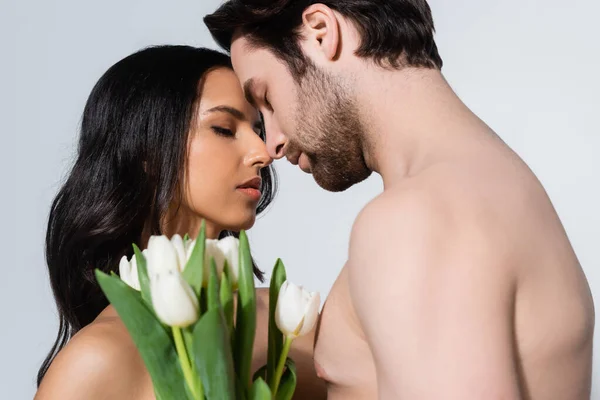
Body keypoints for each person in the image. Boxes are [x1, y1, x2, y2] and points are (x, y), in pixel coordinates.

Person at [204, 1, 596, 398]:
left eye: (267, 98)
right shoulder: (501, 185)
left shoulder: (416, 219)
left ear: (321, 31)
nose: (272, 144)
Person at [35, 45, 326, 399]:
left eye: (257, 128)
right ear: (144, 150)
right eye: (223, 128)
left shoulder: (292, 328)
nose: (263, 152)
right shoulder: (98, 359)